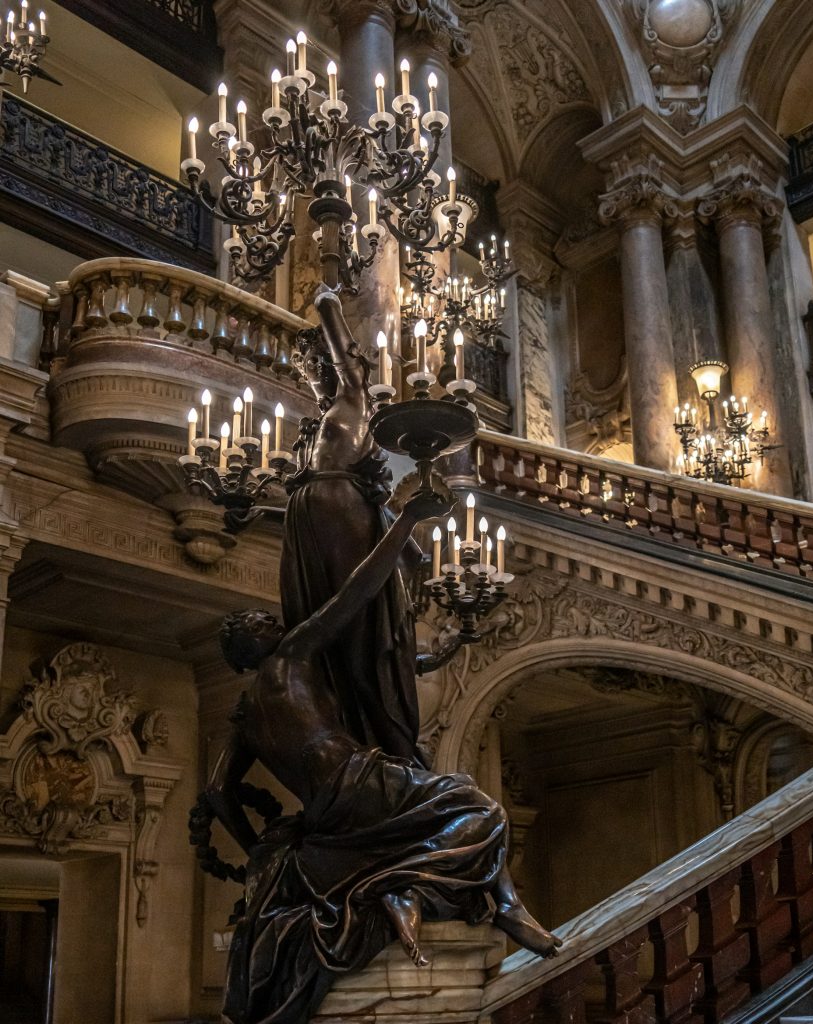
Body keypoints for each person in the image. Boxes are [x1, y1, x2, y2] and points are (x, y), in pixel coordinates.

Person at [205, 490, 561, 1024]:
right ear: (255, 645)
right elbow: (352, 597)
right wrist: (406, 525)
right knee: (478, 806)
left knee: (444, 816)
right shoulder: (289, 659)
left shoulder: (246, 710)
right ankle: (492, 903)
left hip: (326, 813)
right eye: (260, 622)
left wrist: (257, 848)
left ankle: (405, 891)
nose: (271, 620)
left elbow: (217, 791)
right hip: (360, 781)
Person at [280, 289, 424, 765]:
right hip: (311, 521)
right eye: (305, 373)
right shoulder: (321, 420)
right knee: (324, 645)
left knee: (357, 633)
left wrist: (328, 306)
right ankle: (359, 746)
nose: (312, 378)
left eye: (317, 366)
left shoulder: (353, 398)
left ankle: (396, 755)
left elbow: (352, 365)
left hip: (338, 514)